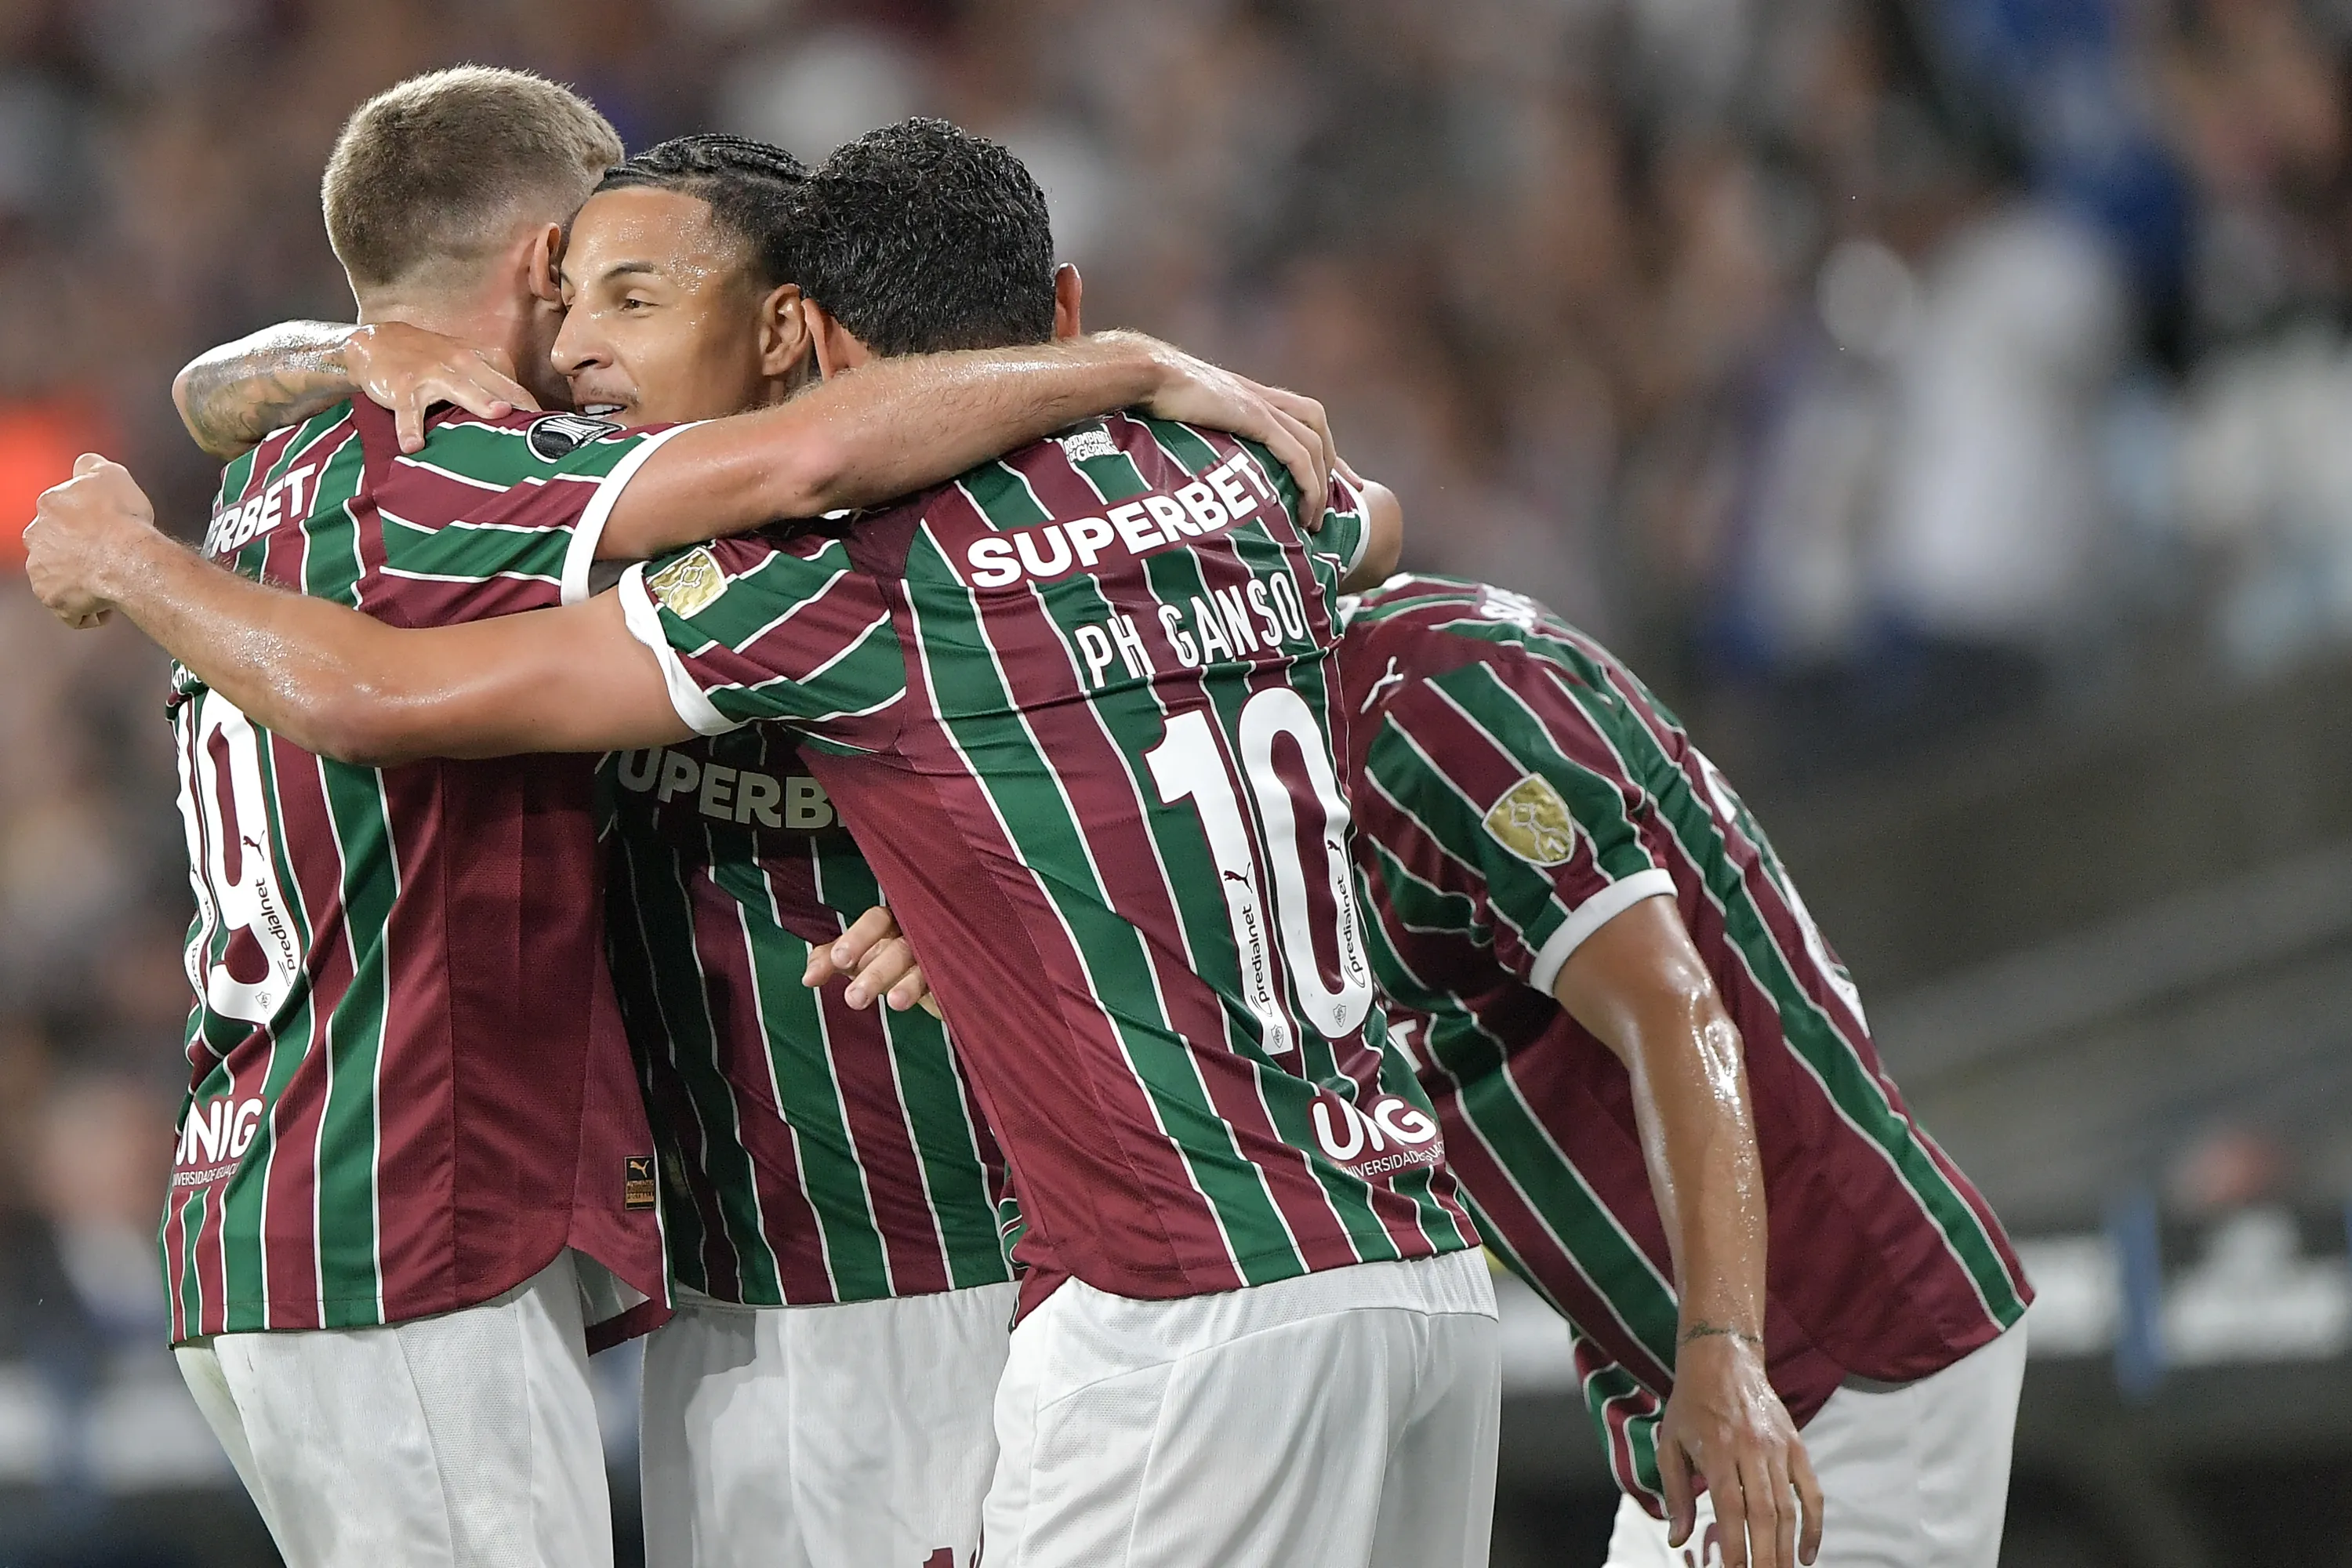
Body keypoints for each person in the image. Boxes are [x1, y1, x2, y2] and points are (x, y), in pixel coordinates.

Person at [27, 118, 1502, 1568]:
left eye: (635, 298)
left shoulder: (847, 556)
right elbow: (1325, 520)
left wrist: (1049, 841)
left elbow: (1347, 536)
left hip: (988, 1268)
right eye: (573, 296)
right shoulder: (577, 516)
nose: (585, 347)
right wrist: (338, 352)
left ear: (790, 334)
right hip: (750, 1302)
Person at [1334, 575, 2034, 1568]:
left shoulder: (1425, 702)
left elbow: (1677, 1011)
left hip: (1817, 1367)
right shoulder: (1347, 701)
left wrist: (1726, 1350)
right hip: (1703, 1394)